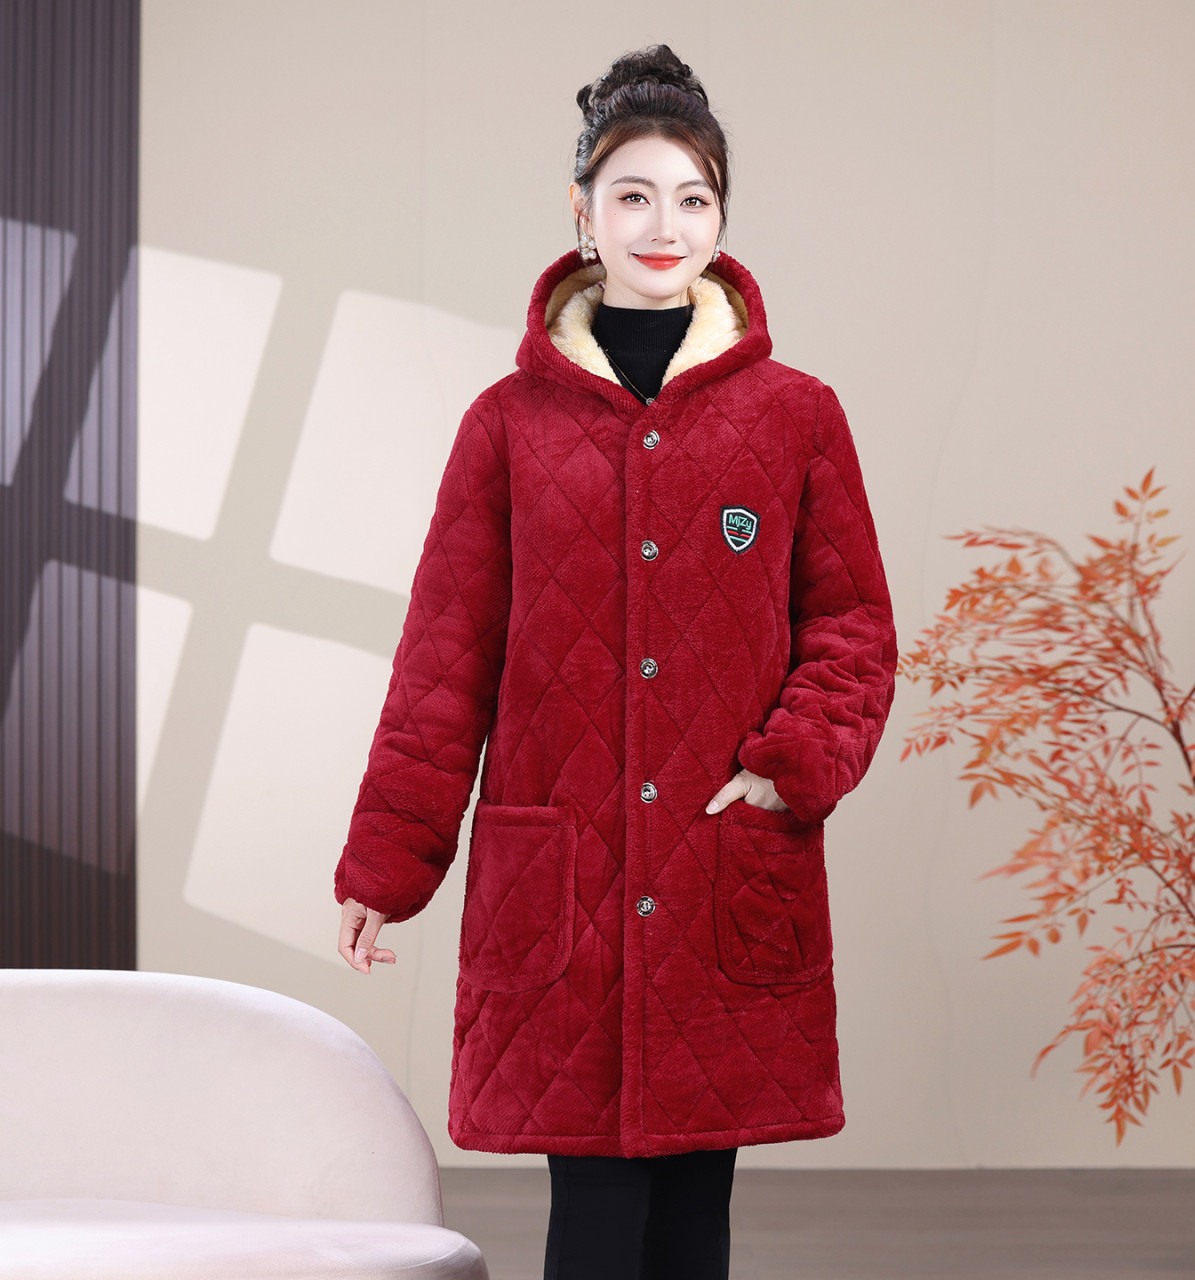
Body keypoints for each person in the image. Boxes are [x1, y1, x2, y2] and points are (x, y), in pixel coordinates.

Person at [334, 43, 897, 1280]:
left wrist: (787, 765)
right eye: (632, 194)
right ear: (581, 214)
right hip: (566, 877)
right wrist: (388, 859)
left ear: (722, 219)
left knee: (695, 1223)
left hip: (718, 863)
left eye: (692, 197)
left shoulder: (796, 416)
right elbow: (443, 657)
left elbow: (853, 628)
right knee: (591, 1227)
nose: (662, 224)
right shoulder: (506, 425)